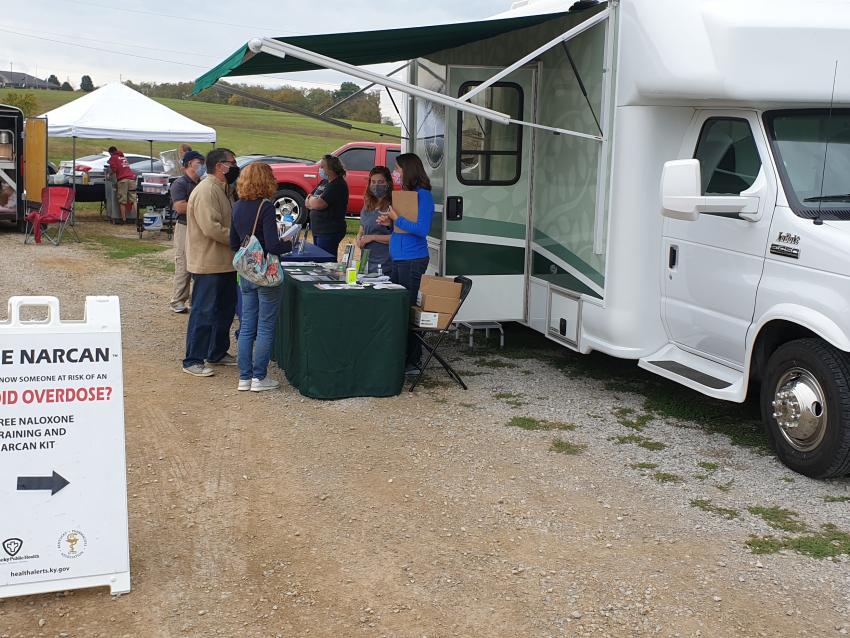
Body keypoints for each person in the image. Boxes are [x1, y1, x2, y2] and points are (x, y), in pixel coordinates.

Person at [229, 163, 292, 392]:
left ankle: (244, 377)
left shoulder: (237, 206)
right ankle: (259, 377)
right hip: (266, 273)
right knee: (265, 327)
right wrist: (289, 243)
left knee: (247, 326)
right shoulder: (265, 207)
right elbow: (273, 245)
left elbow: (233, 243)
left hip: (246, 272)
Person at [182, 147, 240, 377]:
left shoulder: (224, 189)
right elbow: (211, 227)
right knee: (203, 311)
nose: (235, 167)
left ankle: (217, 352)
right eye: (232, 163)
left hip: (225, 262)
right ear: (220, 166)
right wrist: (238, 240)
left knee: (224, 311)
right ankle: (193, 359)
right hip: (208, 262)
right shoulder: (206, 190)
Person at [378, 153, 434, 375]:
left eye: (398, 168)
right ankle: (400, 356)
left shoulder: (424, 196)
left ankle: (413, 361)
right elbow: (402, 229)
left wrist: (397, 218)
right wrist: (389, 223)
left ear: (408, 170)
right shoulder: (406, 195)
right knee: (398, 309)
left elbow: (422, 230)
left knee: (408, 310)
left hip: (412, 259)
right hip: (398, 257)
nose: (395, 172)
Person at [168, 150, 206, 314]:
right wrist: (201, 205)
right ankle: (177, 300)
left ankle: (195, 300)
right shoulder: (180, 184)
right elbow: (180, 207)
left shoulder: (202, 183)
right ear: (189, 164)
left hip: (200, 227)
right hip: (184, 226)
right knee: (183, 263)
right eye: (199, 163)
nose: (202, 166)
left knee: (198, 263)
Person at [305, 154, 348, 258]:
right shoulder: (324, 182)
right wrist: (312, 202)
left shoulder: (337, 185)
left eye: (323, 167)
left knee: (325, 260)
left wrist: (313, 202)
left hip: (329, 231)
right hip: (318, 229)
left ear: (331, 169)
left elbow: (320, 204)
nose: (320, 169)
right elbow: (307, 200)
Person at [356, 166, 393, 274]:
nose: (376, 185)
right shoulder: (367, 206)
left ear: (388, 184)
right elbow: (361, 231)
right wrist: (359, 240)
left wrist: (373, 238)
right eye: (373, 182)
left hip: (385, 266)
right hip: (366, 263)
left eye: (381, 182)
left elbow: (398, 237)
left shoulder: (393, 207)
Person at [107, 146, 136, 224]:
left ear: (110, 152)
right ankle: (134, 218)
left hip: (123, 180)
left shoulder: (113, 157)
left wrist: (109, 175)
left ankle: (123, 220)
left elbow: (114, 169)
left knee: (122, 200)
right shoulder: (123, 157)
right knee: (133, 200)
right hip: (131, 179)